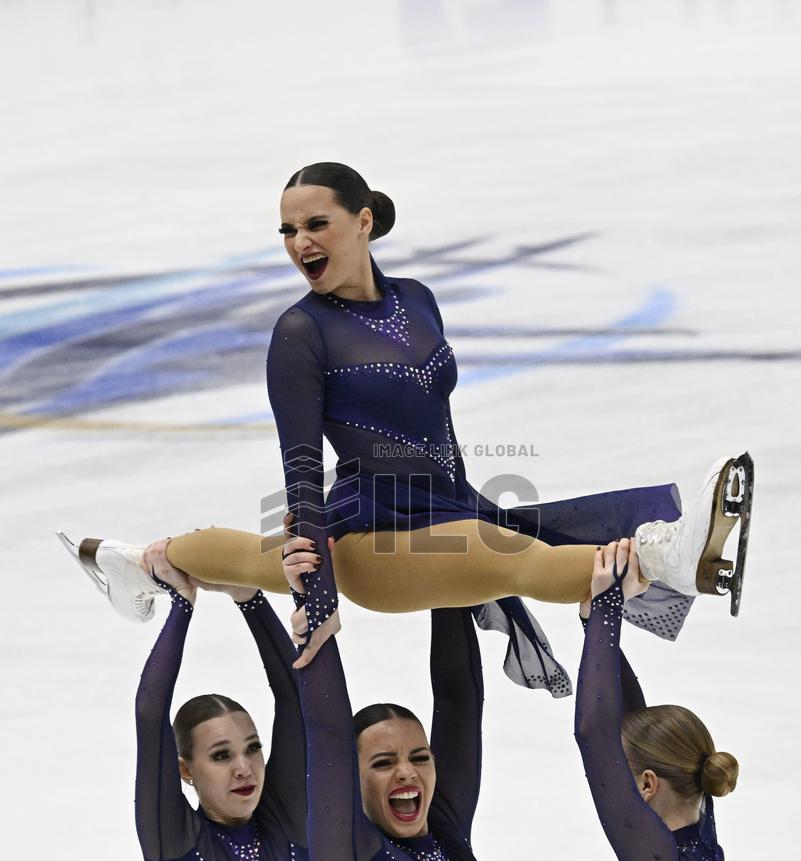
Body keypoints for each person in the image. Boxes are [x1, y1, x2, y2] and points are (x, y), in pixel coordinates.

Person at [59, 161, 752, 689]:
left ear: (362, 222)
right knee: (520, 560)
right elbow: (299, 465)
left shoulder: (417, 300)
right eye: (287, 231)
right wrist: (321, 598)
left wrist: (463, 502)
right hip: (372, 531)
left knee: (246, 556)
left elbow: (440, 425)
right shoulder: (300, 333)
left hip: (443, 502)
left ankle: (144, 561)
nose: (298, 242)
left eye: (314, 225)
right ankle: (667, 560)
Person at [281, 535, 506, 861]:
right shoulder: (350, 858)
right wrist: (314, 608)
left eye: (418, 757)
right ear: (351, 780)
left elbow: (459, 697)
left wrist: (445, 538)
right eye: (383, 763)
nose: (407, 772)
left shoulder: (446, 833)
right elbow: (325, 729)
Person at [134, 540, 314, 861]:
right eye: (220, 755)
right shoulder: (173, 841)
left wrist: (248, 597)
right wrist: (181, 605)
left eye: (252, 749)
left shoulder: (286, 828)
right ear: (185, 770)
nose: (243, 768)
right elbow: (150, 713)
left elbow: (295, 700)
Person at [574, 537, 737, 861]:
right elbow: (631, 727)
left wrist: (607, 610)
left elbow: (595, 734)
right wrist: (595, 624)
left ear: (646, 784)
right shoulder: (697, 839)